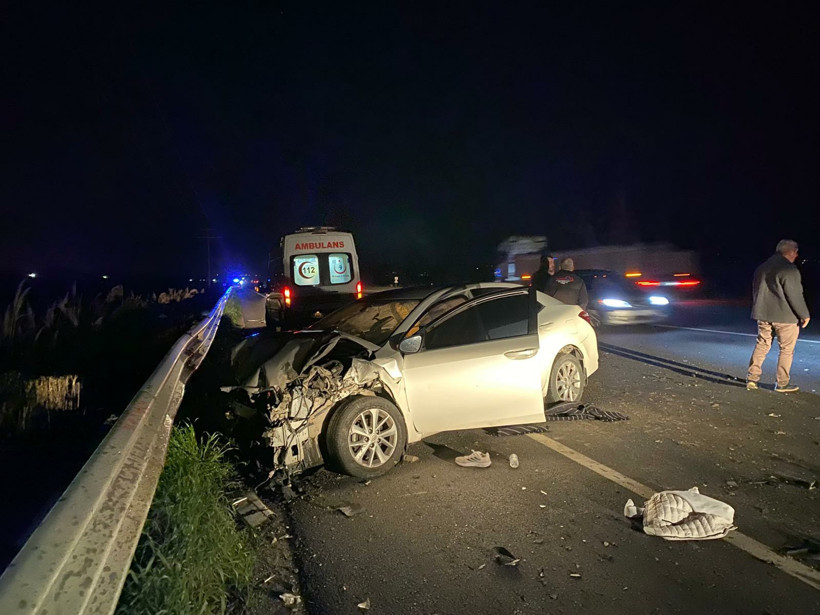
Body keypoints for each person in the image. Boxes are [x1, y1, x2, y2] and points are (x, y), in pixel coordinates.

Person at [746, 239, 811, 393]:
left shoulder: (761, 268)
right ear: (791, 252)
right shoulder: (789, 270)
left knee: (762, 345)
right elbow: (795, 295)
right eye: (796, 252)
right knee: (786, 350)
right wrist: (804, 314)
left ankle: (752, 379)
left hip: (763, 315)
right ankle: (782, 383)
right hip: (785, 317)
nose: (796, 255)